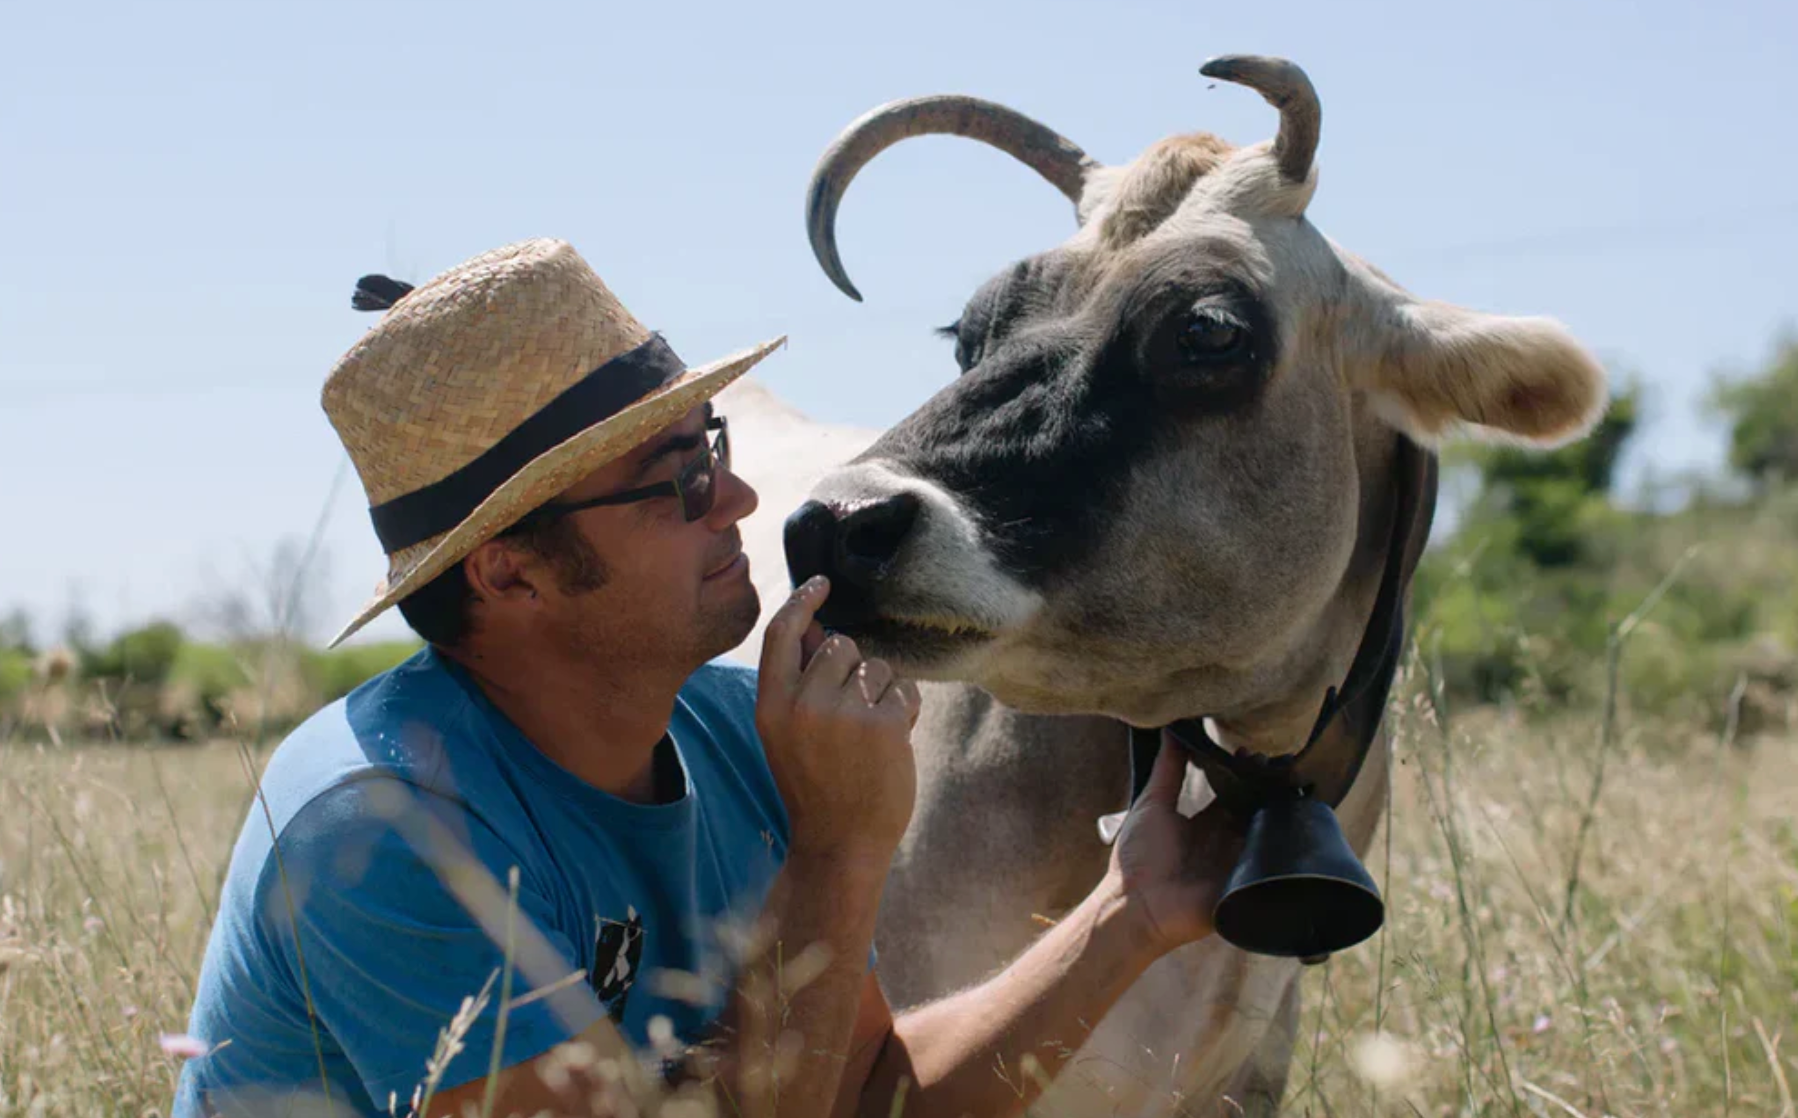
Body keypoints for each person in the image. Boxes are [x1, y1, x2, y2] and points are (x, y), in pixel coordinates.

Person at [174, 238, 1244, 1118]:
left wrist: (1131, 910)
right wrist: (838, 845)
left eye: (713, 445)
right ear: (512, 571)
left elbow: (872, 1093)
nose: (734, 497)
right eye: (674, 481)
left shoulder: (733, 733)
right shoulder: (377, 827)